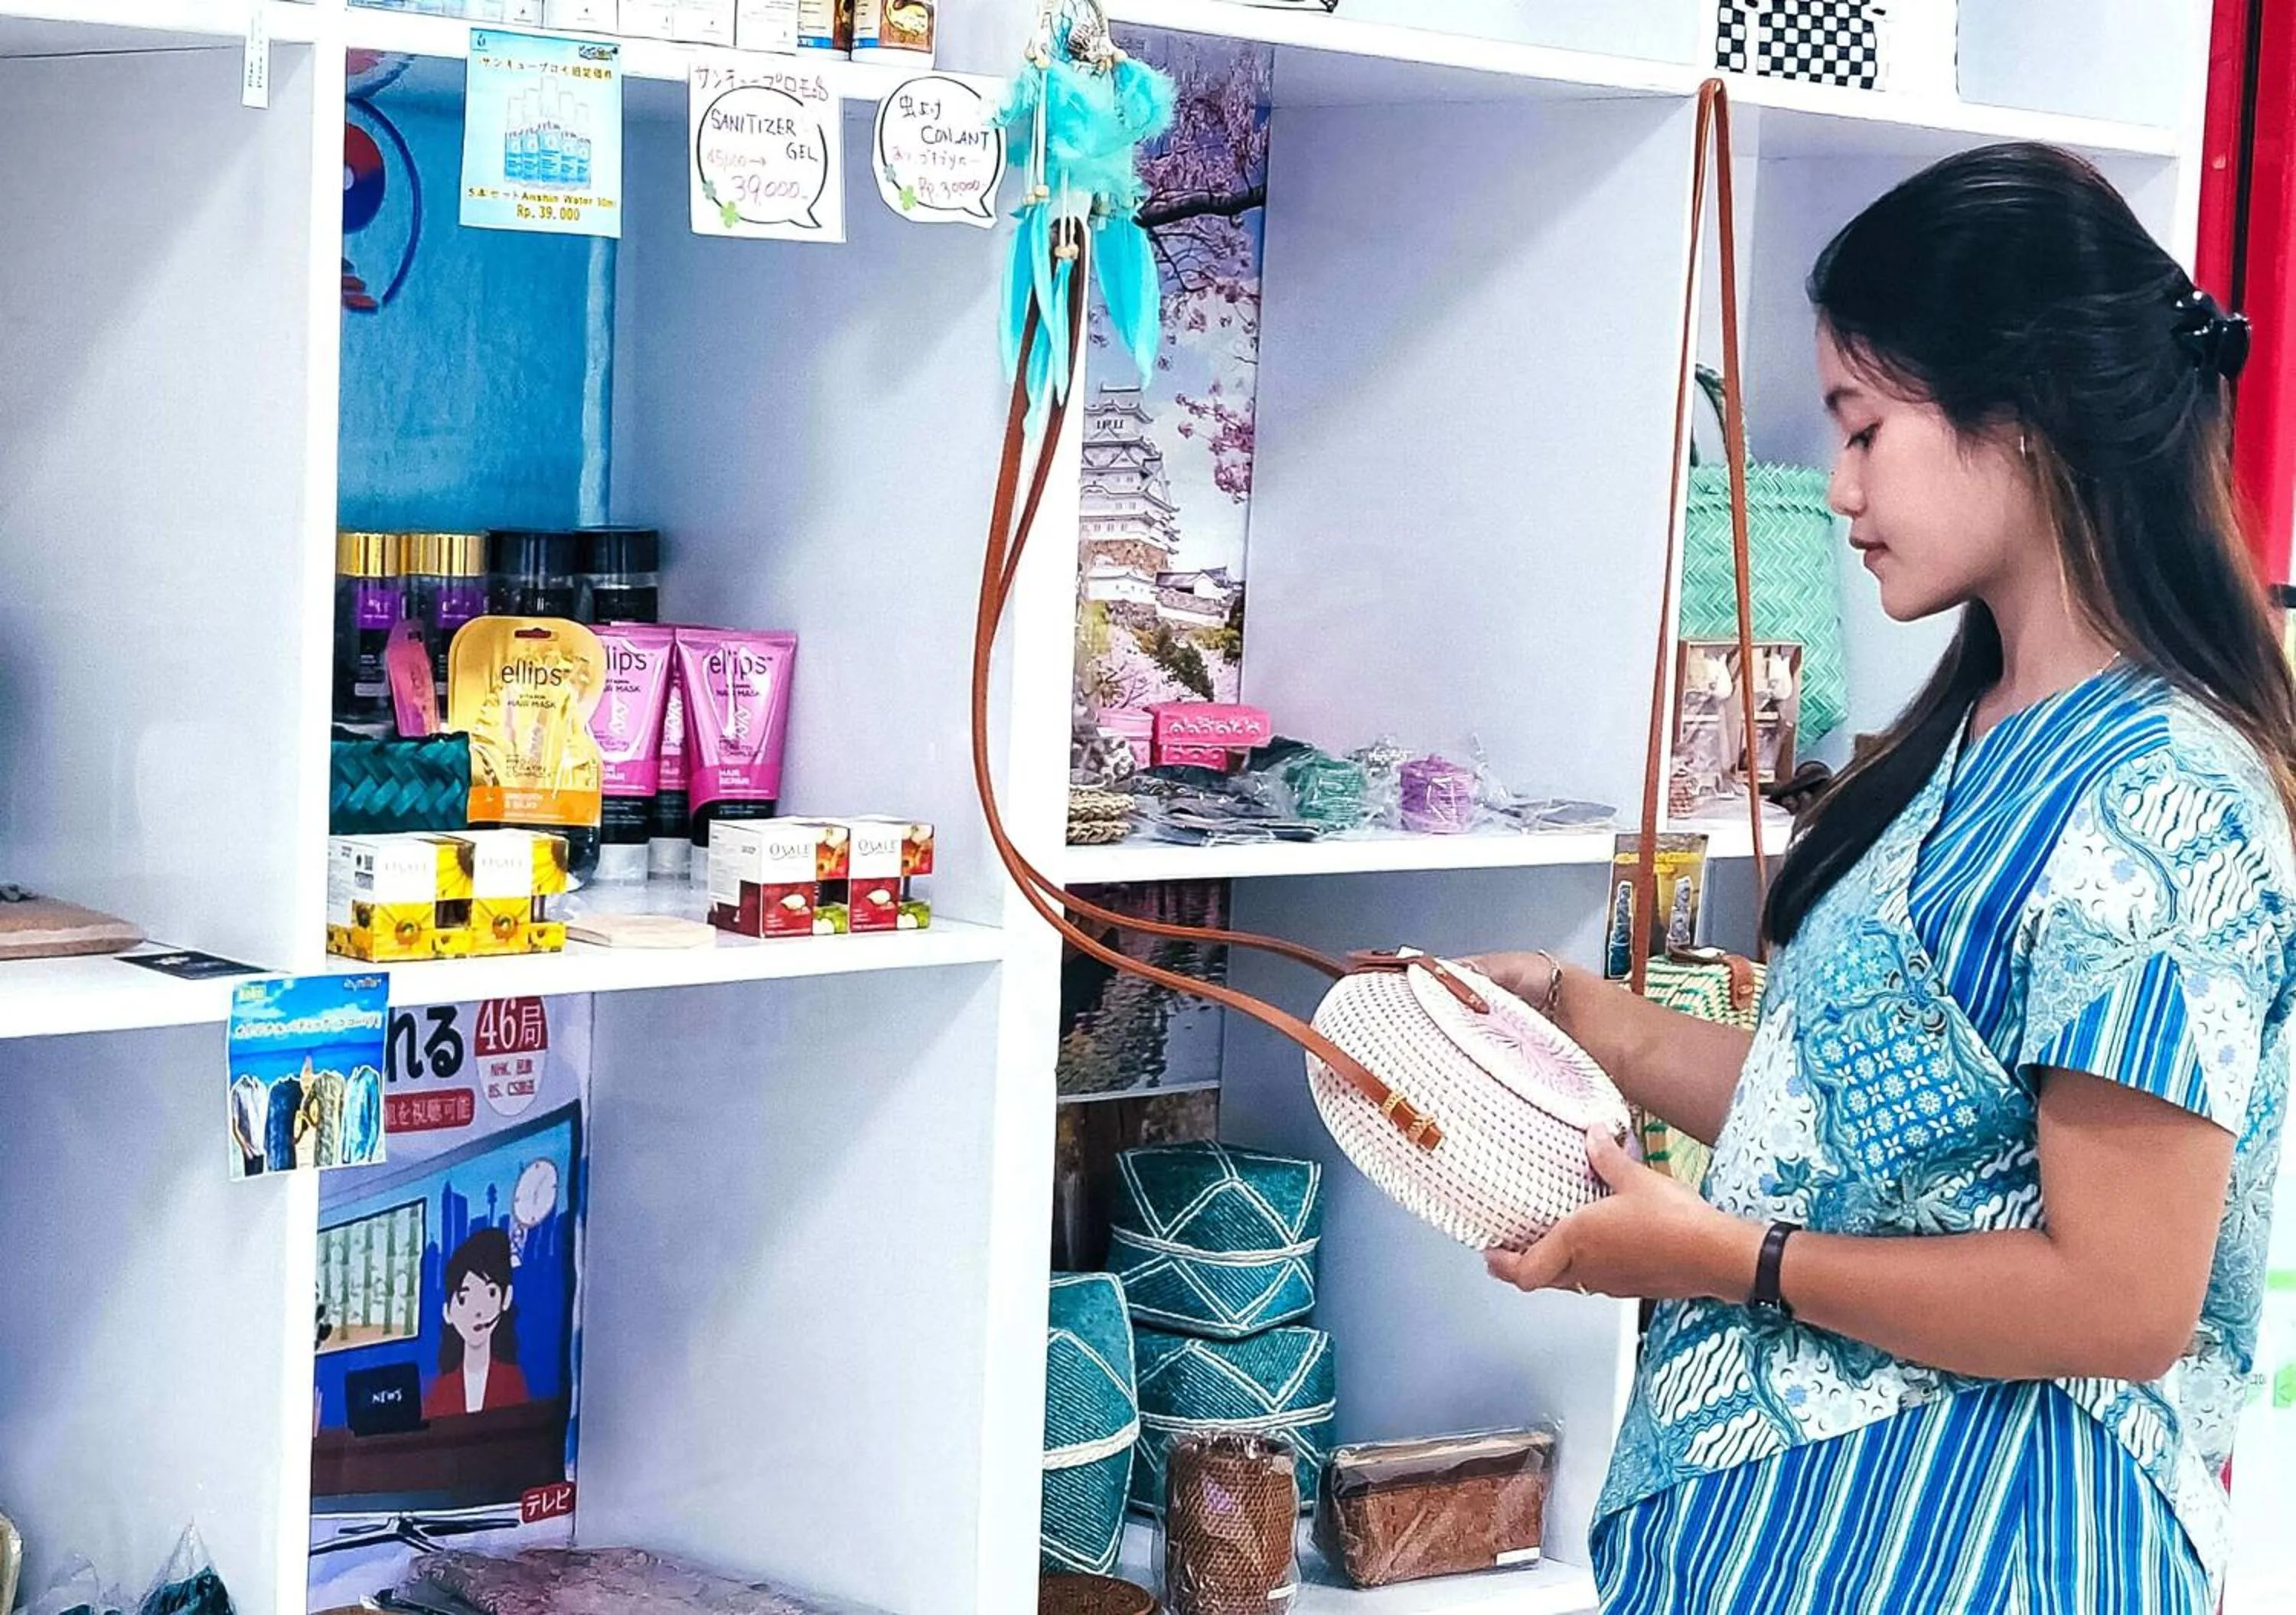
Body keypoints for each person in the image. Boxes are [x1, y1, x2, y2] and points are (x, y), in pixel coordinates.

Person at [1477, 143, 2296, 1613]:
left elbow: (2119, 1300)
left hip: (1989, 1544)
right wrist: (1565, 1012)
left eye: (1865, 428)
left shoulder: (2168, 802)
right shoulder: (1975, 734)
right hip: (1807, 1540)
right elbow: (1855, 1117)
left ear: (2023, 413)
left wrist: (1733, 1260)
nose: (1840, 488)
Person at [423, 1226, 530, 1419]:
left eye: (490, 1293)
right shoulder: (439, 1391)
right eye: (464, 1299)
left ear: (506, 1298)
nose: (478, 1311)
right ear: (448, 1312)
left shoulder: (513, 1380)